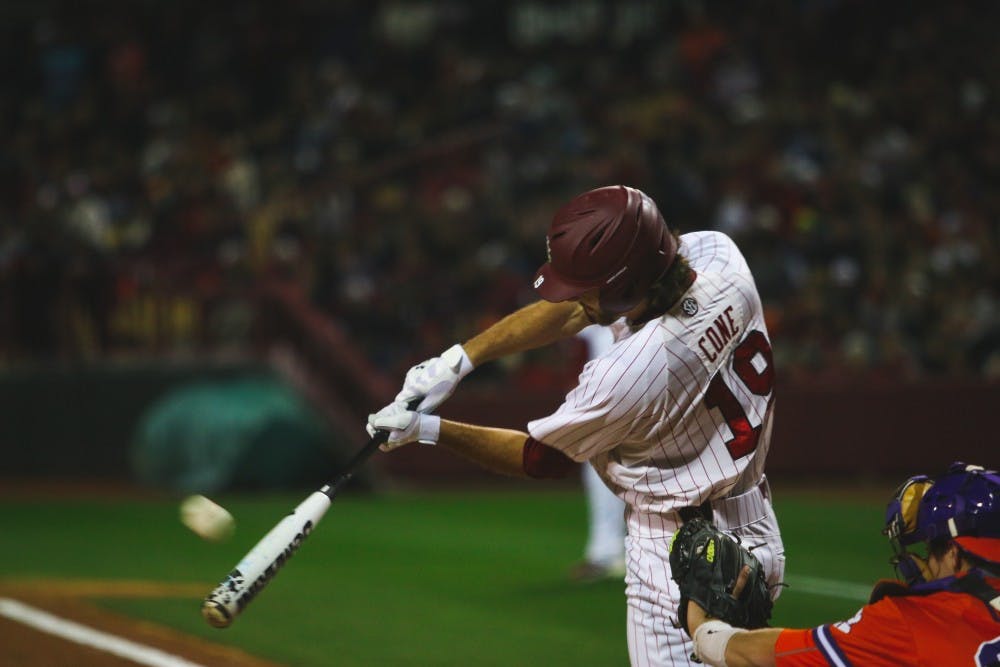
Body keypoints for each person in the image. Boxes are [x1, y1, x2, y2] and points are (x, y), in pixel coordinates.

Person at [367, 184, 785, 666]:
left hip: (679, 547)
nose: (574, 299)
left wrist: (427, 429)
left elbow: (541, 459)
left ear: (626, 287)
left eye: (588, 288)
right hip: (754, 524)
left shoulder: (630, 372)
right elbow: (583, 305)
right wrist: (460, 360)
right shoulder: (720, 254)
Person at [682, 462, 1000, 667]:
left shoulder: (911, 623)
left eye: (932, 549)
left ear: (954, 554)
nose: (925, 562)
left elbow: (780, 656)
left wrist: (705, 630)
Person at [570, 324, 628, 583]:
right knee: (601, 475)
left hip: (633, 403)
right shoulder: (602, 317)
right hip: (609, 408)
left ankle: (608, 555)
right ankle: (607, 554)